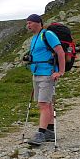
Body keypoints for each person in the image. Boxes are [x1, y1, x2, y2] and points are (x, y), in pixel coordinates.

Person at [25, 14, 66, 146]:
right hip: (36, 73)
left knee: (43, 104)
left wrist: (60, 71)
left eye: (30, 23)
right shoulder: (34, 38)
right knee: (46, 103)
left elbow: (60, 52)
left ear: (38, 23)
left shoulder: (47, 35)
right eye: (27, 23)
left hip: (47, 74)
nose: (28, 25)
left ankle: (40, 134)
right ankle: (50, 131)